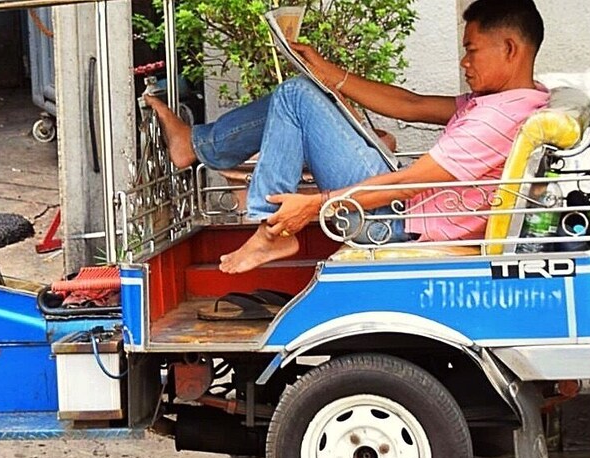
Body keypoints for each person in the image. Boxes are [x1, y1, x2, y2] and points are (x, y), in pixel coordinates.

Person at [145, 0, 550, 274]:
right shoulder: (508, 101)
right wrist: (330, 74)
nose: (464, 62)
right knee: (306, 93)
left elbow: (407, 183)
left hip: (392, 221)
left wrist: (310, 207)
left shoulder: (496, 118)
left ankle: (270, 231)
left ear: (510, 49)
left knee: (295, 96)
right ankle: (200, 147)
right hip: (400, 208)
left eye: (472, 50)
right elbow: (410, 104)